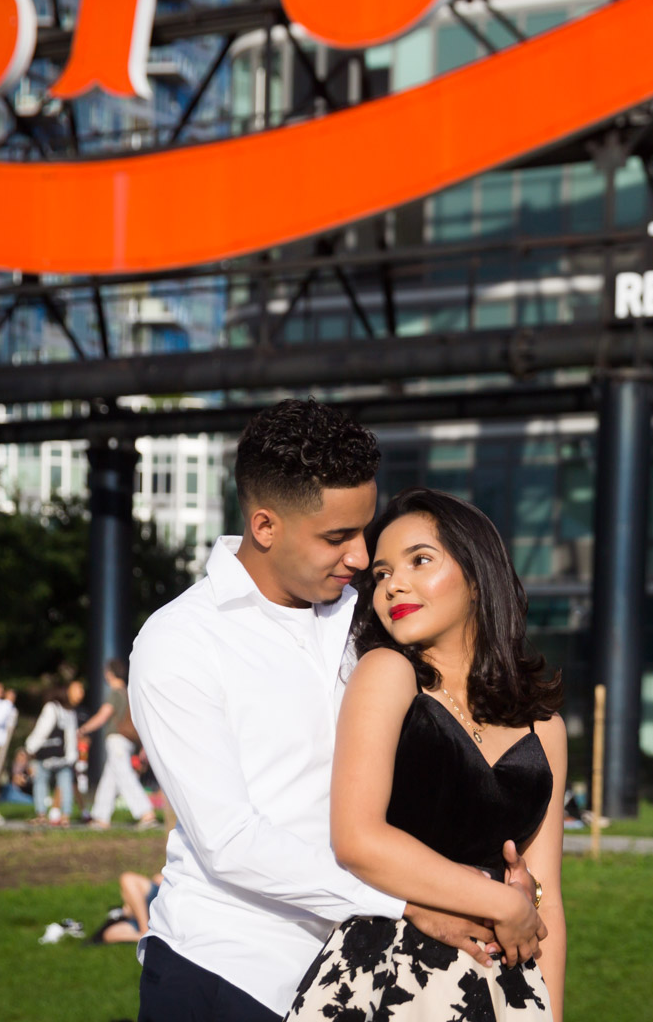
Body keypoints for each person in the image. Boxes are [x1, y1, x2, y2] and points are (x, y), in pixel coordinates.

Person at [129, 399, 535, 1022]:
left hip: (368, 972)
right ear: (265, 527)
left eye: (363, 530)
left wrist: (493, 878)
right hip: (229, 967)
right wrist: (407, 903)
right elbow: (230, 842)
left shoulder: (372, 617)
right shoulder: (180, 641)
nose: (359, 557)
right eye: (336, 537)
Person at [289, 488, 566, 1022]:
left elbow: (547, 899)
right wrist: (500, 901)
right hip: (392, 974)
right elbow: (358, 840)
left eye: (420, 560)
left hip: (505, 986)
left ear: (479, 577)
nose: (395, 584)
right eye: (382, 574)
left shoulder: (545, 726)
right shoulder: (386, 674)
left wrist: (548, 1011)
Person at [84, 658, 160, 831]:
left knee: (124, 776)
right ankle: (100, 817)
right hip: (128, 741)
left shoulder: (115, 693)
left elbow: (104, 715)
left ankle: (146, 813)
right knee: (109, 779)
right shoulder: (128, 693)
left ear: (109, 673)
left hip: (116, 740)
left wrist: (84, 729)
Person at [24, 684, 80, 824]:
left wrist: (29, 748)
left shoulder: (51, 708)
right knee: (65, 784)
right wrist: (71, 756)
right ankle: (66, 816)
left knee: (40, 782)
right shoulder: (70, 711)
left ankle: (41, 814)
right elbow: (71, 736)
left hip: (45, 755)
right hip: (63, 756)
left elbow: (42, 730)